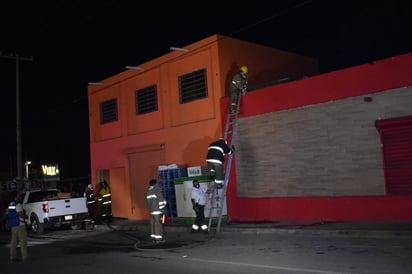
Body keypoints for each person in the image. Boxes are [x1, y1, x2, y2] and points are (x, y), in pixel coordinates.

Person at [8, 191, 28, 262]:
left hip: (13, 225)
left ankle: (12, 257)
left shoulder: (11, 204)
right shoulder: (18, 204)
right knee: (23, 242)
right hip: (20, 225)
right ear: (16, 196)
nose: (20, 196)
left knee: (14, 242)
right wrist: (26, 217)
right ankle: (24, 257)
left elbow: (8, 213)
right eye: (19, 195)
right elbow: (20, 214)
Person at [145, 179, 167, 243]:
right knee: (158, 225)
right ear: (155, 184)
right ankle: (159, 239)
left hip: (151, 211)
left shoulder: (148, 192)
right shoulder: (156, 190)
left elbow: (148, 203)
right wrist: (163, 209)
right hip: (157, 211)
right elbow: (160, 201)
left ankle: (153, 238)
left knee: (152, 224)